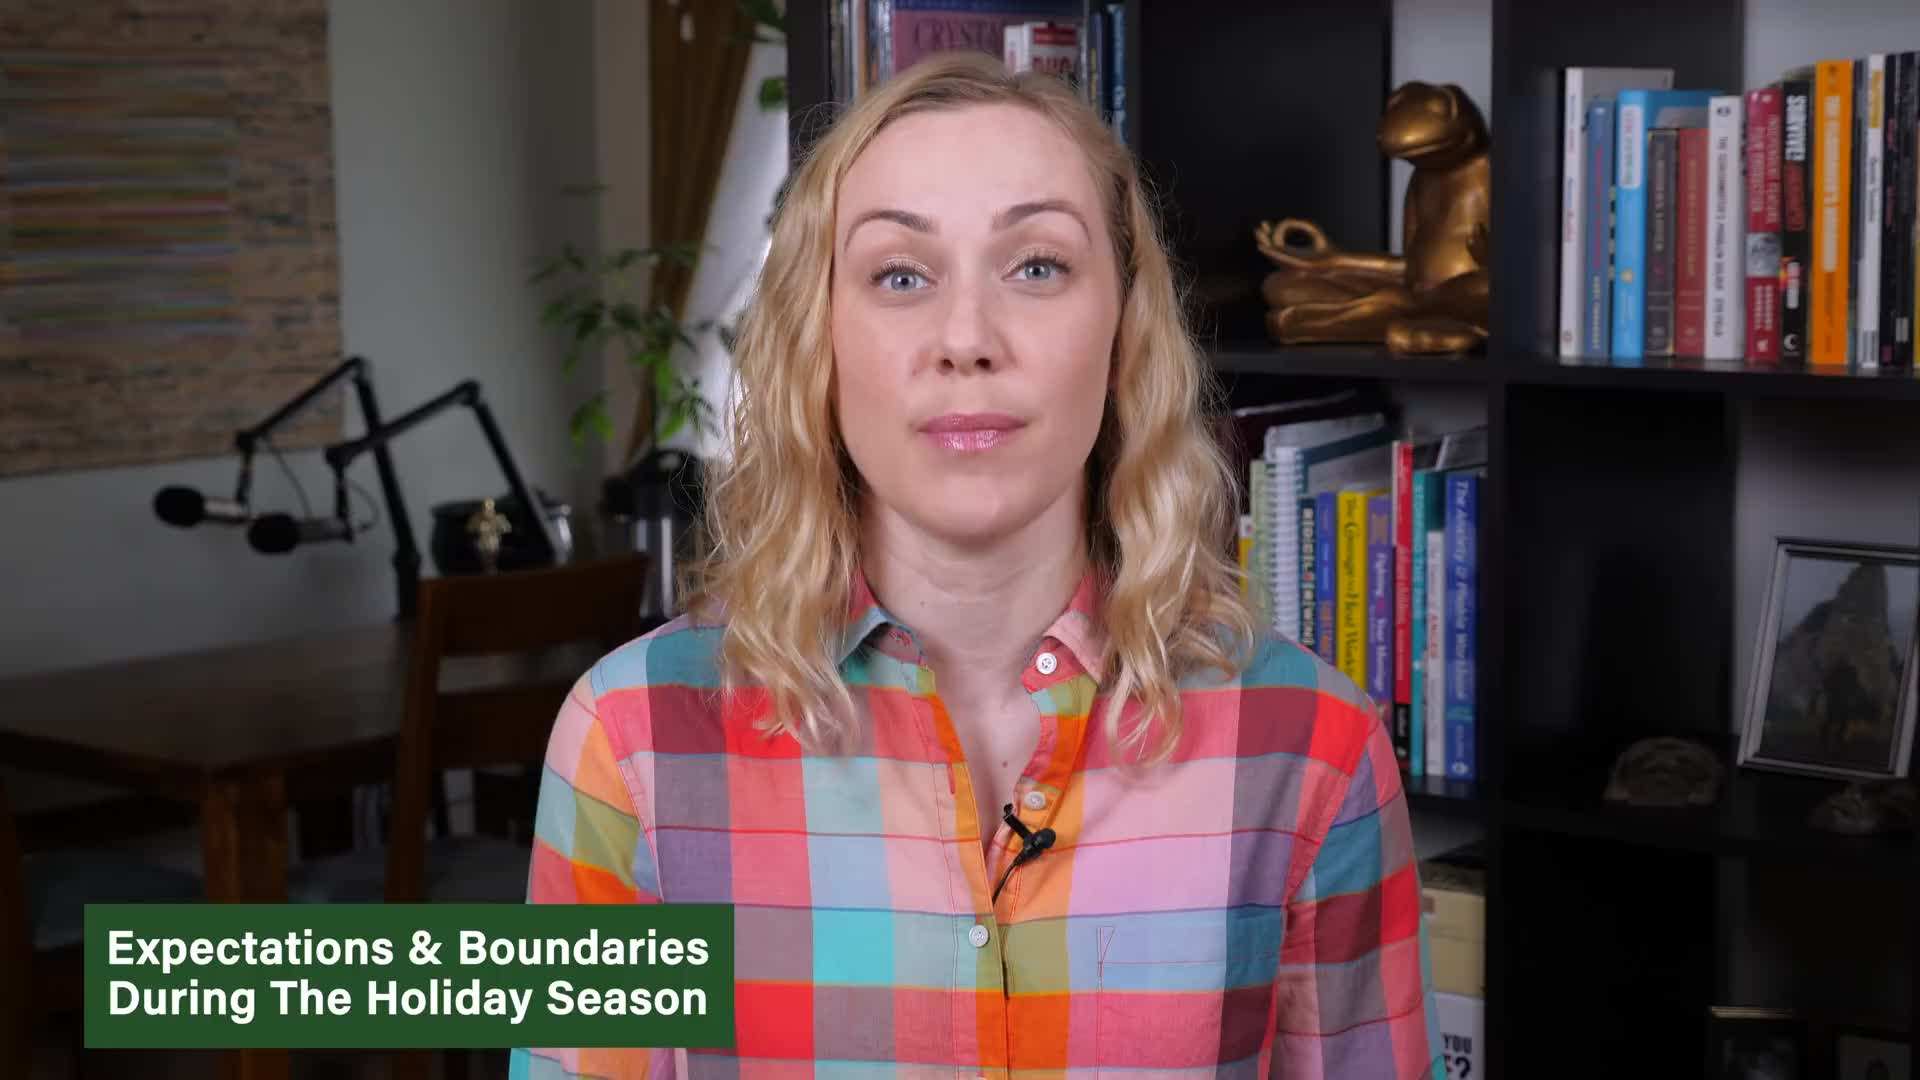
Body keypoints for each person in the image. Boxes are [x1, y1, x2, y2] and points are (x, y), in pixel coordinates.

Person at [511, 49, 1441, 1079]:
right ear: (817, 338)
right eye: (899, 275)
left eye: (1037, 266)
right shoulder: (629, 742)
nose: (966, 337)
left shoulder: (1314, 747)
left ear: (1125, 330)